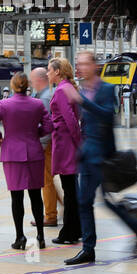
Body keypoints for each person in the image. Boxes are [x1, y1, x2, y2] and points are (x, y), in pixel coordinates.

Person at [62, 52, 137, 264]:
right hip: (88, 153)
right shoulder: (84, 90)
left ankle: (136, 230)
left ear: (95, 66)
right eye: (78, 64)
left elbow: (108, 115)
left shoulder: (106, 89)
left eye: (84, 64)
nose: (80, 68)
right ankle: (90, 248)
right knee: (88, 202)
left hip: (102, 155)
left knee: (97, 201)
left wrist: (82, 101)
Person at [0, 72, 52, 250]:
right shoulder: (37, 104)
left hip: (12, 154)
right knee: (36, 195)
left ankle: (20, 237)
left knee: (17, 197)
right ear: (27, 85)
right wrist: (34, 134)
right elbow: (48, 125)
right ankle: (40, 236)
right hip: (34, 152)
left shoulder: (4, 104)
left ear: (13, 86)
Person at [47, 57, 83, 245]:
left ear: (57, 71)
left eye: (49, 70)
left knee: (69, 189)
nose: (47, 73)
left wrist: (78, 144)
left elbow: (70, 120)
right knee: (71, 189)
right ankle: (76, 229)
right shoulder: (69, 87)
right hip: (68, 142)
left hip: (65, 144)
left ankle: (69, 232)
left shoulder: (61, 90)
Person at [30, 67, 59, 227]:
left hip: (48, 144)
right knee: (51, 179)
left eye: (32, 79)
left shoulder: (46, 97)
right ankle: (60, 207)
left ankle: (50, 215)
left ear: (39, 80)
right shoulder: (47, 94)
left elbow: (48, 124)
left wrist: (41, 145)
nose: (31, 83)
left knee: (46, 179)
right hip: (52, 142)